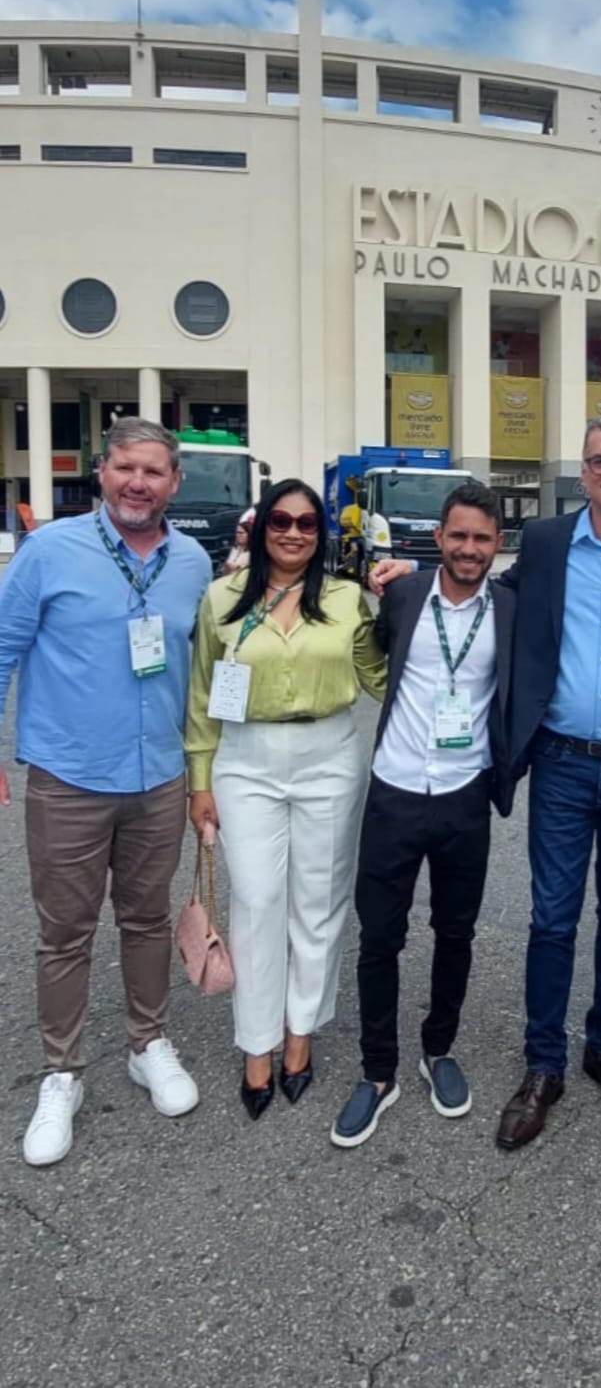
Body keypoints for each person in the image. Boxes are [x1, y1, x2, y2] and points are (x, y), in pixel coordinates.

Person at [374, 415, 601, 1150]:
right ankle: (542, 1063)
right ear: (582, 471)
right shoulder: (550, 542)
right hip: (559, 760)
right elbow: (479, 589)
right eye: (600, 460)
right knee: (551, 918)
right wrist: (409, 578)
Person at [0, 417, 212, 1167]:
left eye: (154, 472)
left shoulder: (191, 561)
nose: (138, 483)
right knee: (65, 930)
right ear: (102, 470)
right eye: (126, 467)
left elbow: (205, 663)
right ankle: (61, 1071)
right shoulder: (50, 549)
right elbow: (2, 645)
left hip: (158, 777)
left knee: (147, 918)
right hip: (69, 774)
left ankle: (146, 1040)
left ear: (174, 482)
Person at [185, 478, 387, 1119]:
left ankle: (300, 1035)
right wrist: (200, 780)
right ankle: (256, 1045)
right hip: (246, 762)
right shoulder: (220, 600)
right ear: (262, 526)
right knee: (258, 899)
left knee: (319, 904)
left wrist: (407, 600)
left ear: (320, 533)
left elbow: (381, 678)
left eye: (306, 523)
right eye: (281, 521)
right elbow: (201, 698)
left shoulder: (347, 598)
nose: (294, 533)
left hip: (329, 757)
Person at [331, 482, 516, 1148]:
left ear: (498, 546)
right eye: (458, 535)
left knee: (455, 931)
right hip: (395, 789)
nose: (469, 548)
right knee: (379, 937)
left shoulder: (511, 610)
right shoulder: (403, 595)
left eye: (482, 538)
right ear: (438, 537)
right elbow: (364, 651)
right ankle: (377, 1072)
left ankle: (437, 1049)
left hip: (465, 794)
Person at [220, 508, 254, 574]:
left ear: (249, 534)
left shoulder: (254, 552)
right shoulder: (234, 549)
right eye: (237, 533)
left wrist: (238, 567)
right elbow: (224, 571)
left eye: (241, 533)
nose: (238, 535)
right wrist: (226, 567)